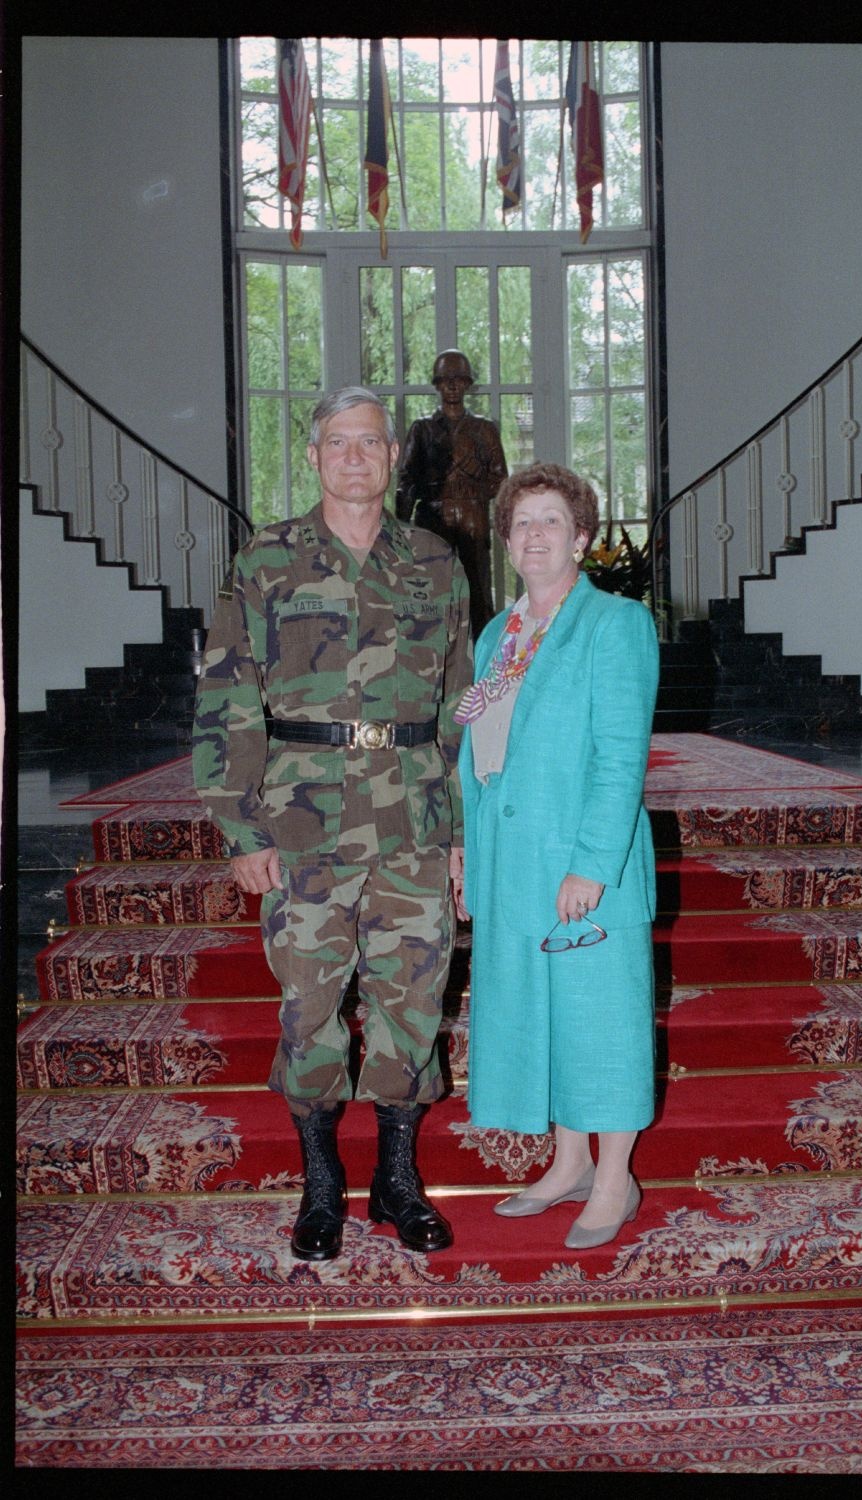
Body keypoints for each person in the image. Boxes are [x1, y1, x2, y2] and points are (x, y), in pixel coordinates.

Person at [192, 386, 472, 1263]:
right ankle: (321, 1186)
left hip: (416, 820)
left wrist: (467, 834)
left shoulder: (436, 561)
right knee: (309, 1006)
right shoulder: (266, 560)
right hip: (302, 822)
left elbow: (465, 702)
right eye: (338, 443)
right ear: (313, 458)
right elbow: (228, 695)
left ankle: (396, 1181)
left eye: (371, 442)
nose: (356, 456)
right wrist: (239, 829)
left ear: (393, 458)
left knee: (412, 1005)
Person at [452, 462, 659, 1249]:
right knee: (542, 1012)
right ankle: (567, 1162)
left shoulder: (613, 625)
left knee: (599, 1017)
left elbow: (619, 757)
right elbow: (477, 752)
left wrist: (592, 864)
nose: (534, 535)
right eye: (521, 523)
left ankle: (616, 1179)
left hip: (580, 862)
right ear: (506, 542)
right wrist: (468, 854)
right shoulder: (497, 635)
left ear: (581, 537)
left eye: (550, 521)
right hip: (510, 857)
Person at [395, 349, 508, 640]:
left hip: (473, 519)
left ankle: (484, 655)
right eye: (446, 380)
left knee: (479, 591)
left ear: (468, 383)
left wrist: (470, 490)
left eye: (459, 379)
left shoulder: (484, 430)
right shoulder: (422, 430)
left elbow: (500, 478)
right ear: (437, 384)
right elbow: (406, 479)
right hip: (433, 519)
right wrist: (400, 529)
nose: (453, 386)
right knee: (432, 588)